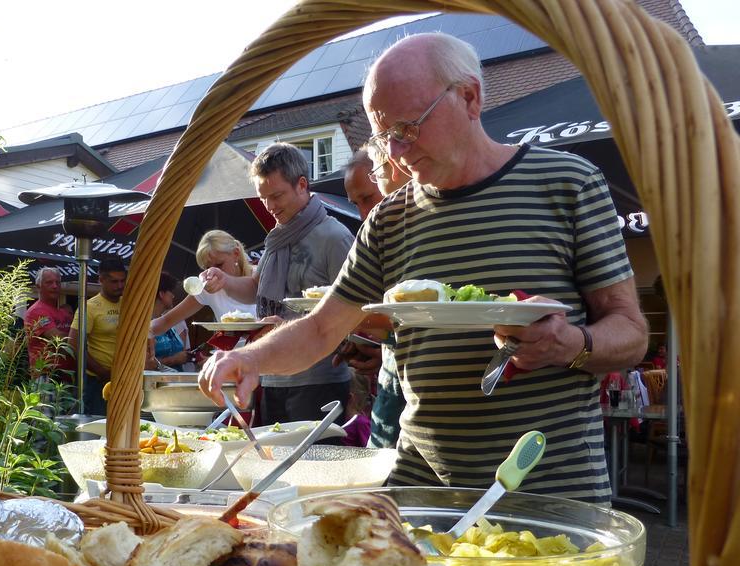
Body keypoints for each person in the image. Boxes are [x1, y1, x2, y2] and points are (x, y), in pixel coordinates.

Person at [200, 33, 648, 506]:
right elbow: (320, 329)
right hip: (424, 494)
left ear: (469, 97)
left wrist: (572, 344)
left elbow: (631, 333)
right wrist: (247, 359)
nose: (395, 152)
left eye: (407, 129)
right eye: (383, 135)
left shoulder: (568, 183)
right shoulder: (389, 218)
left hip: (550, 489)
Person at [200, 143, 356, 426]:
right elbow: (255, 289)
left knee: (311, 468)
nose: (270, 206)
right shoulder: (276, 237)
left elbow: (353, 310)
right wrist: (226, 281)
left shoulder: (334, 237)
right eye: (263, 198)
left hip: (317, 379)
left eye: (277, 195)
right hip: (270, 375)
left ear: (302, 185)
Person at [336, 147, 406, 450]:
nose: (363, 212)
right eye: (356, 202)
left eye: (368, 198)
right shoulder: (378, 238)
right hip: (390, 392)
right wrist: (372, 346)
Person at [149, 229, 257, 336]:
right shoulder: (208, 286)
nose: (213, 272)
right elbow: (166, 321)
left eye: (219, 265)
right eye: (207, 268)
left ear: (236, 253)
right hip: (232, 352)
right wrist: (142, 332)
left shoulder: (263, 276)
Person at [69, 257, 128, 416]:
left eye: (122, 281)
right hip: (97, 381)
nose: (120, 286)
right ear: (101, 279)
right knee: (99, 426)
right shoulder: (90, 307)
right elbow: (74, 343)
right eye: (114, 282)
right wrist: (101, 371)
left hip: (125, 376)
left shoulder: (128, 302)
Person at [24, 268, 74, 381]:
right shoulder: (36, 311)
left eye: (58, 282)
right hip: (46, 377)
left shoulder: (63, 312)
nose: (55, 286)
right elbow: (58, 338)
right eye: (49, 282)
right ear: (38, 286)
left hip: (67, 377)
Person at [148, 271, 189, 371]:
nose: (173, 296)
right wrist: (173, 360)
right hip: (157, 383)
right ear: (161, 294)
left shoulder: (167, 321)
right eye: (171, 292)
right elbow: (145, 365)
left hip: (176, 381)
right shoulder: (144, 325)